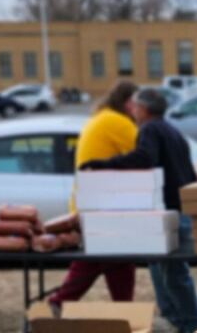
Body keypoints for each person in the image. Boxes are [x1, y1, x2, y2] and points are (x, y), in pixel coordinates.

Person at [80, 88, 197, 333]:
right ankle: (176, 320)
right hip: (177, 210)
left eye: (135, 107)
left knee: (173, 272)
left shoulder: (149, 129)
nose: (132, 112)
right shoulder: (172, 130)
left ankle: (193, 325)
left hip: (167, 213)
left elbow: (144, 158)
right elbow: (188, 172)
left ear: (145, 109)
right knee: (162, 269)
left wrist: (103, 165)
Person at [48, 81, 141, 308]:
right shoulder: (117, 122)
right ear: (129, 103)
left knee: (114, 261)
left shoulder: (103, 117)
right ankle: (59, 302)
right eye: (138, 104)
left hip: (93, 202)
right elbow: (145, 151)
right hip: (99, 206)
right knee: (101, 260)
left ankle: (124, 310)